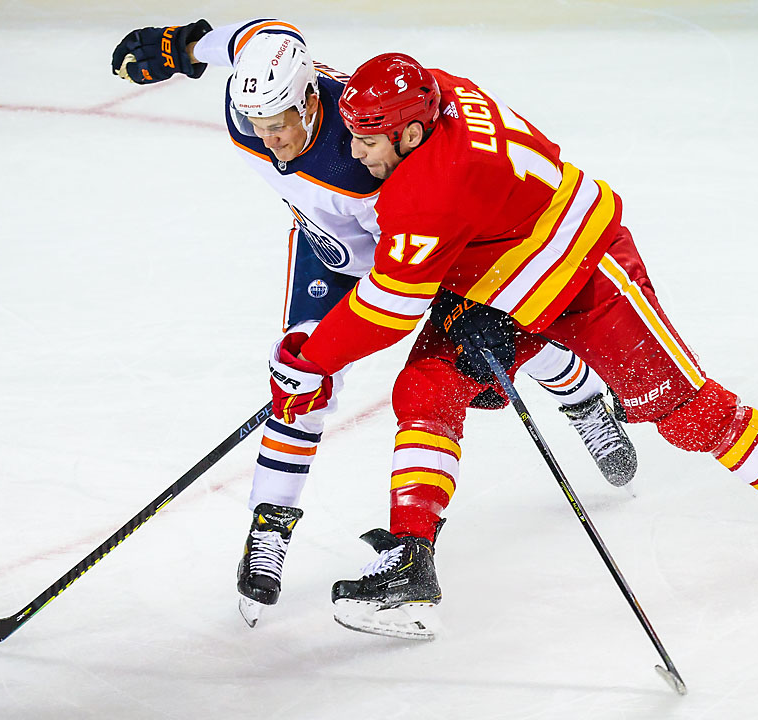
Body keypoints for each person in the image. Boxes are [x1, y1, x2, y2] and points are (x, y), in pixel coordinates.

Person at [266, 52, 758, 639]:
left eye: (369, 139)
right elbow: (486, 212)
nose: (356, 151)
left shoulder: (426, 190)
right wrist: (483, 294)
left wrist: (310, 359)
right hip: (504, 273)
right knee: (425, 387)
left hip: (589, 274)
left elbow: (390, 307)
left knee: (690, 414)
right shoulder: (444, 94)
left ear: (409, 132)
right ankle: (411, 560)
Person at [109, 19, 638, 626]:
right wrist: (185, 45)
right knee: (296, 380)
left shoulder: (366, 147)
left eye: (280, 121)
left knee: (487, 348)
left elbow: (399, 289)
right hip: (328, 253)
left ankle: (580, 391)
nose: (270, 138)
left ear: (311, 98)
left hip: (409, 258)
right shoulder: (250, 113)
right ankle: (269, 529)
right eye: (258, 123)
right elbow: (260, 33)